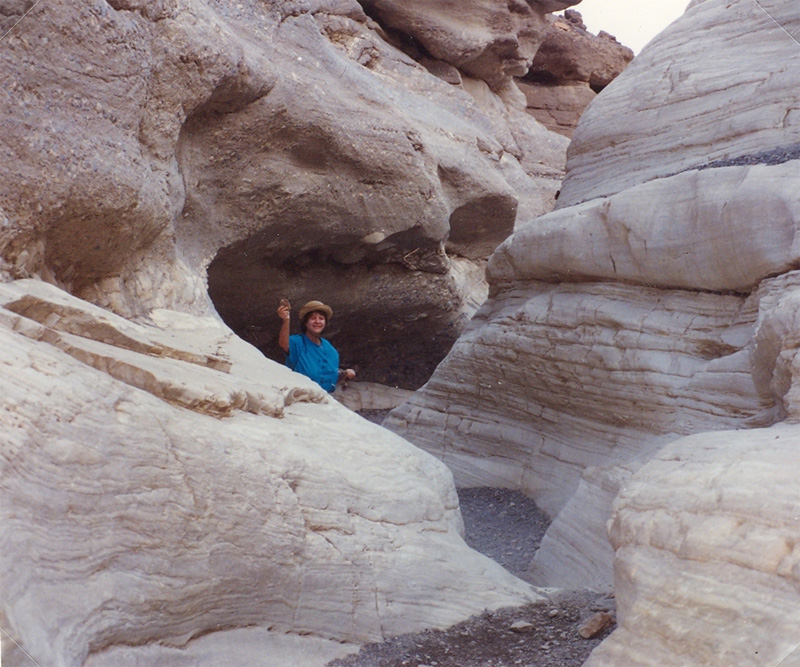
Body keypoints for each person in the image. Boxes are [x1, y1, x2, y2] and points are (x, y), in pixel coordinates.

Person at [277, 299, 356, 392]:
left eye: (321, 318)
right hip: (300, 397)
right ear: (305, 323)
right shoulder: (297, 342)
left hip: (323, 399)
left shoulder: (330, 349)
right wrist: (286, 320)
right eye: (313, 318)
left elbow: (329, 375)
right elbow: (283, 344)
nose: (317, 321)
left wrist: (344, 374)